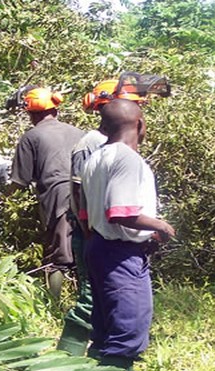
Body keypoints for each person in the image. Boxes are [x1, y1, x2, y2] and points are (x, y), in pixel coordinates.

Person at [81, 98, 175, 371]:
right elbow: (121, 213)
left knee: (105, 330)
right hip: (121, 254)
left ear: (103, 126)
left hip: (98, 247)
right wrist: (160, 226)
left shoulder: (94, 158)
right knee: (127, 332)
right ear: (140, 124)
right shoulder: (127, 160)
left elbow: (84, 213)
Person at [55, 79, 145, 356]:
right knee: (91, 298)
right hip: (97, 233)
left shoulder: (109, 145)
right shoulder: (93, 143)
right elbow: (80, 192)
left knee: (104, 304)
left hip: (103, 231)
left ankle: (89, 367)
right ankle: (65, 362)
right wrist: (91, 231)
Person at [9, 87, 84, 300]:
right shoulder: (79, 133)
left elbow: (19, 181)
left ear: (31, 114)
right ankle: (89, 302)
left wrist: (4, 201)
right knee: (85, 250)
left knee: (58, 256)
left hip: (58, 198)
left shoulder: (31, 137)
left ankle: (54, 306)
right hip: (88, 198)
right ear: (55, 110)